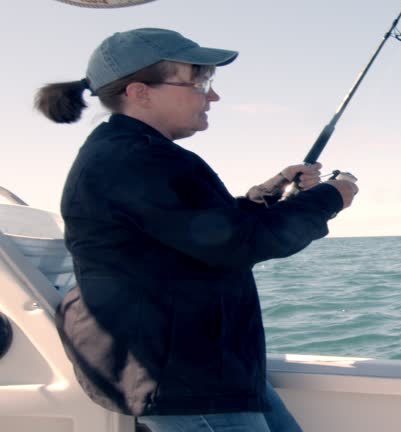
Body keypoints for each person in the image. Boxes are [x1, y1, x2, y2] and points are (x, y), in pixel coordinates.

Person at [34, 27, 358, 432]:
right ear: (140, 93)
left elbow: (200, 228)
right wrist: (331, 197)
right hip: (183, 380)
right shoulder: (132, 161)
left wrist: (271, 191)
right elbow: (239, 242)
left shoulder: (136, 154)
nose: (213, 95)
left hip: (209, 366)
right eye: (199, 81)